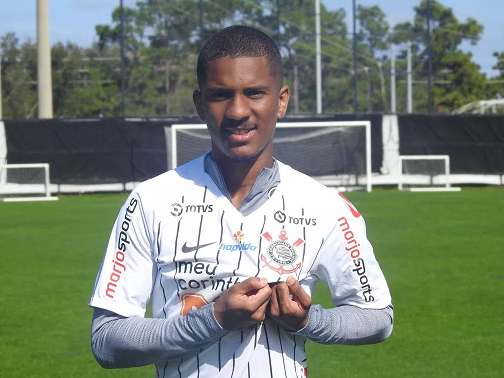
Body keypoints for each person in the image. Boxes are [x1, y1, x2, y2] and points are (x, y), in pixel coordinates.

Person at [89, 25, 393, 378]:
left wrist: (308, 320)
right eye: (220, 95)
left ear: (281, 101)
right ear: (200, 104)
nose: (237, 111)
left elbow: (376, 316)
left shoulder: (324, 206)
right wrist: (214, 319)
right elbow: (106, 340)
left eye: (254, 92)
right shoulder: (151, 200)